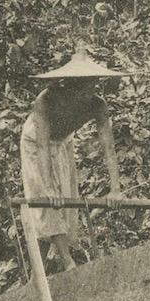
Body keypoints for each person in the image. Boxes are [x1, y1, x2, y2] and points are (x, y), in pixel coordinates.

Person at [18, 48, 126, 267]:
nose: (88, 92)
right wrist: (48, 186)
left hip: (64, 142)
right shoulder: (46, 100)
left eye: (92, 85)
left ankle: (41, 271)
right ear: (68, 85)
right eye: (82, 87)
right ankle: (67, 261)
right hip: (34, 143)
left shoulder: (97, 104)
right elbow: (41, 146)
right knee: (46, 198)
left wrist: (116, 189)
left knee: (66, 200)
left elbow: (108, 147)